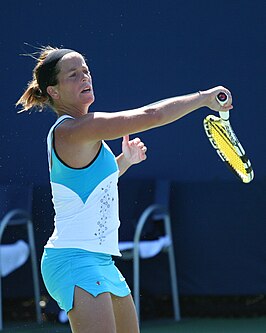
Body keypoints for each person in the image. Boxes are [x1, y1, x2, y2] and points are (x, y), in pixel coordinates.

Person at [16, 46, 233, 333]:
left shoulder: (82, 134)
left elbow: (87, 187)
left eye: (85, 71)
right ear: (53, 91)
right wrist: (204, 98)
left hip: (101, 261)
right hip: (73, 260)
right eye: (73, 75)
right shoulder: (72, 130)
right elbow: (151, 115)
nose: (84, 78)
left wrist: (124, 162)